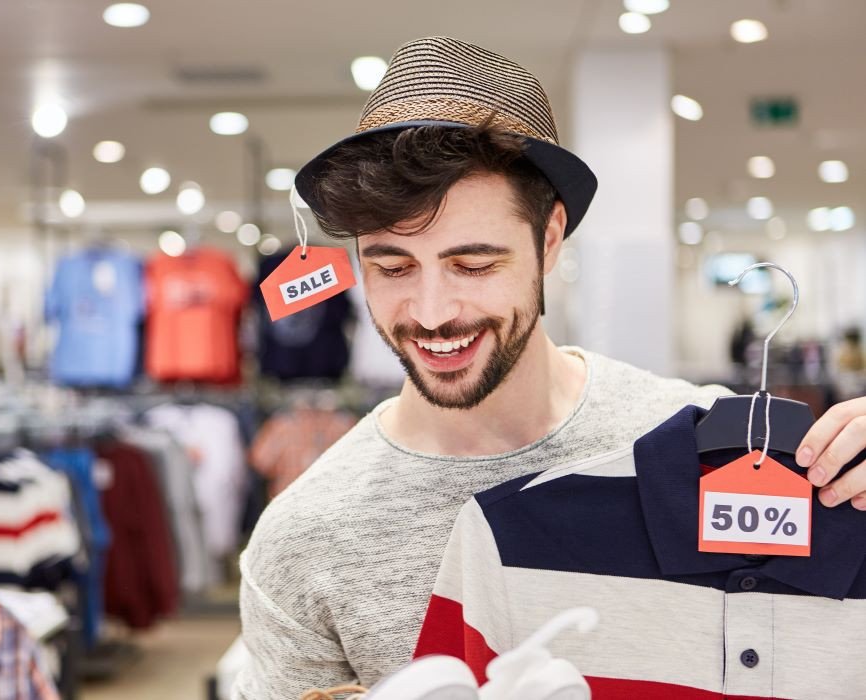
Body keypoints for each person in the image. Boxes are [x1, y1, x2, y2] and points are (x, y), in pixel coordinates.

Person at [234, 36, 866, 698]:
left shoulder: (705, 446)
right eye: (392, 268)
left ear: (550, 238)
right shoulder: (306, 538)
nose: (431, 312)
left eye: (473, 265)